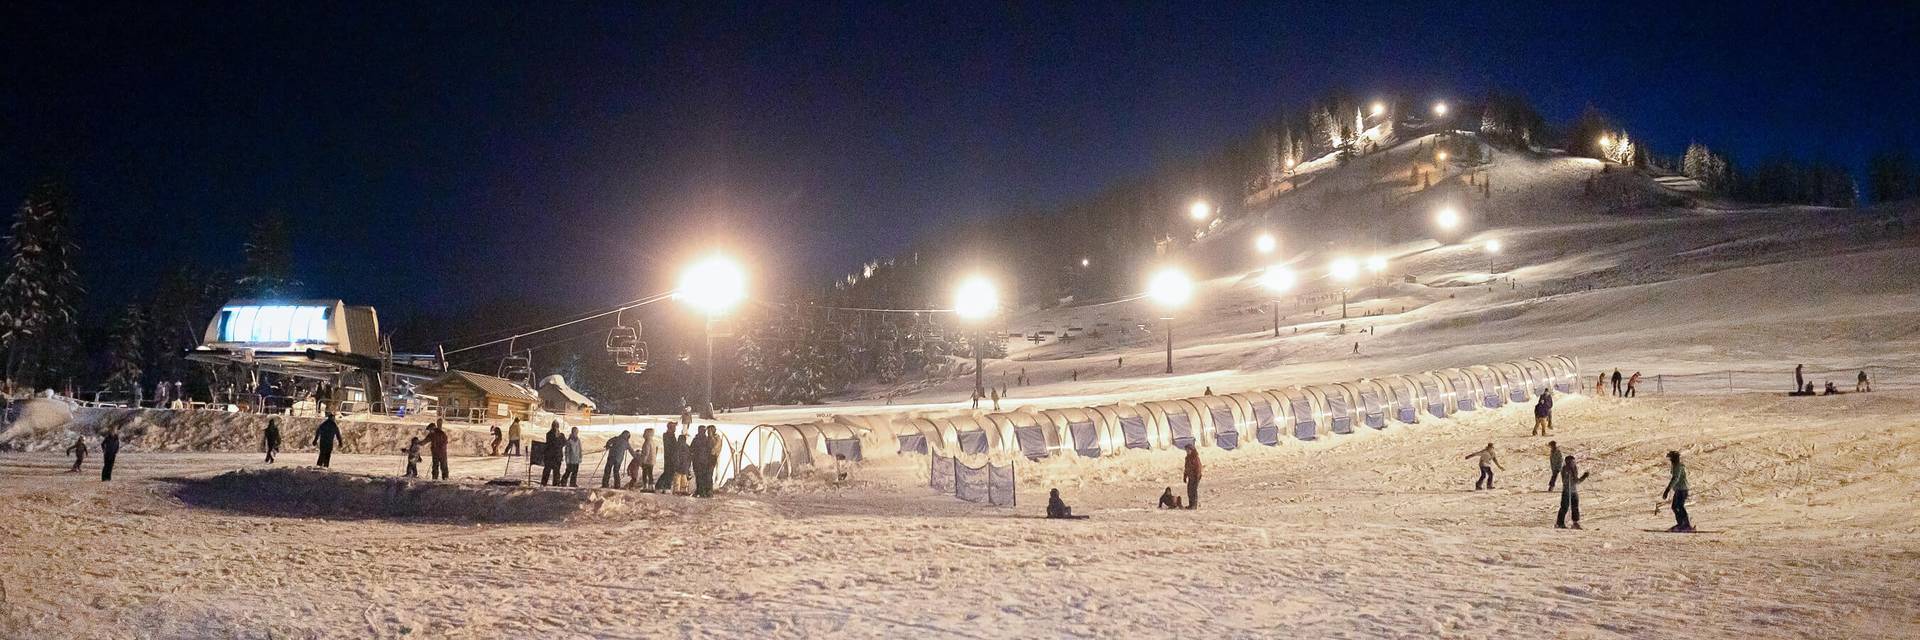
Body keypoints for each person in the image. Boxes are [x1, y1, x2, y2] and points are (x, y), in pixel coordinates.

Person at [1556, 454, 1590, 529]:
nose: (1572, 464)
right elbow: (1565, 481)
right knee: (1564, 507)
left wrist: (1584, 476)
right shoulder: (1565, 469)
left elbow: (1577, 481)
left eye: (1573, 462)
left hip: (1574, 491)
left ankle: (1575, 523)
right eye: (1570, 462)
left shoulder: (1574, 469)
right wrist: (1567, 473)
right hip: (1567, 490)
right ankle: (1559, 523)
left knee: (1575, 507)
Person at [1661, 450, 1693, 532]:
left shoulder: (1677, 466)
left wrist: (1667, 489)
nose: (1670, 460)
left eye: (1671, 458)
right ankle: (1682, 524)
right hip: (1680, 489)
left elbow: (1675, 478)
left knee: (1679, 506)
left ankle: (1685, 525)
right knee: (1676, 506)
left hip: (1681, 490)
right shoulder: (1676, 466)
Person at [655, 423, 679, 492]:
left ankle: (663, 486)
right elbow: (671, 447)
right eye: (674, 427)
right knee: (669, 472)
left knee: (669, 472)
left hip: (671, 456)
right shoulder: (668, 436)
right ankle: (663, 486)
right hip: (670, 457)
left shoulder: (671, 435)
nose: (675, 429)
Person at [690, 426, 713, 497]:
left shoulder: (696, 440)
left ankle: (700, 491)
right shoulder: (707, 440)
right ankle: (704, 492)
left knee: (699, 477)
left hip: (697, 462)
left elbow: (691, 449)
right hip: (705, 462)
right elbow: (710, 450)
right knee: (704, 477)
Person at [1181, 444, 1201, 510]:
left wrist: (1197, 477)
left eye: (1188, 450)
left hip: (1195, 477)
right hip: (1190, 477)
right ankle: (1191, 504)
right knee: (1189, 490)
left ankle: (1194, 505)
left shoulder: (1195, 458)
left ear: (1192, 450)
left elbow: (1198, 468)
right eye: (1186, 450)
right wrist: (1185, 476)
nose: (1187, 451)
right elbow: (1186, 468)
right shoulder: (1187, 458)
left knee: (1194, 491)